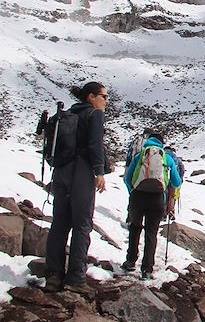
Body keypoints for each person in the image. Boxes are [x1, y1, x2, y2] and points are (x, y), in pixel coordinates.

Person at [44, 82, 110, 293]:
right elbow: (95, 144)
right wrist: (99, 171)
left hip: (61, 171)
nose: (106, 101)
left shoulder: (69, 113)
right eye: (104, 96)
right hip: (81, 172)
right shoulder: (94, 114)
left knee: (60, 223)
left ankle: (53, 276)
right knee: (82, 224)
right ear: (91, 97)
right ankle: (75, 278)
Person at [122, 133, 182, 279]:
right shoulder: (166, 158)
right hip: (157, 199)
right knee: (151, 232)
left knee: (135, 228)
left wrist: (133, 191)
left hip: (138, 196)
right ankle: (147, 269)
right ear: (162, 143)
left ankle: (130, 261)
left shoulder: (139, 156)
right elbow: (177, 182)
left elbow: (127, 179)